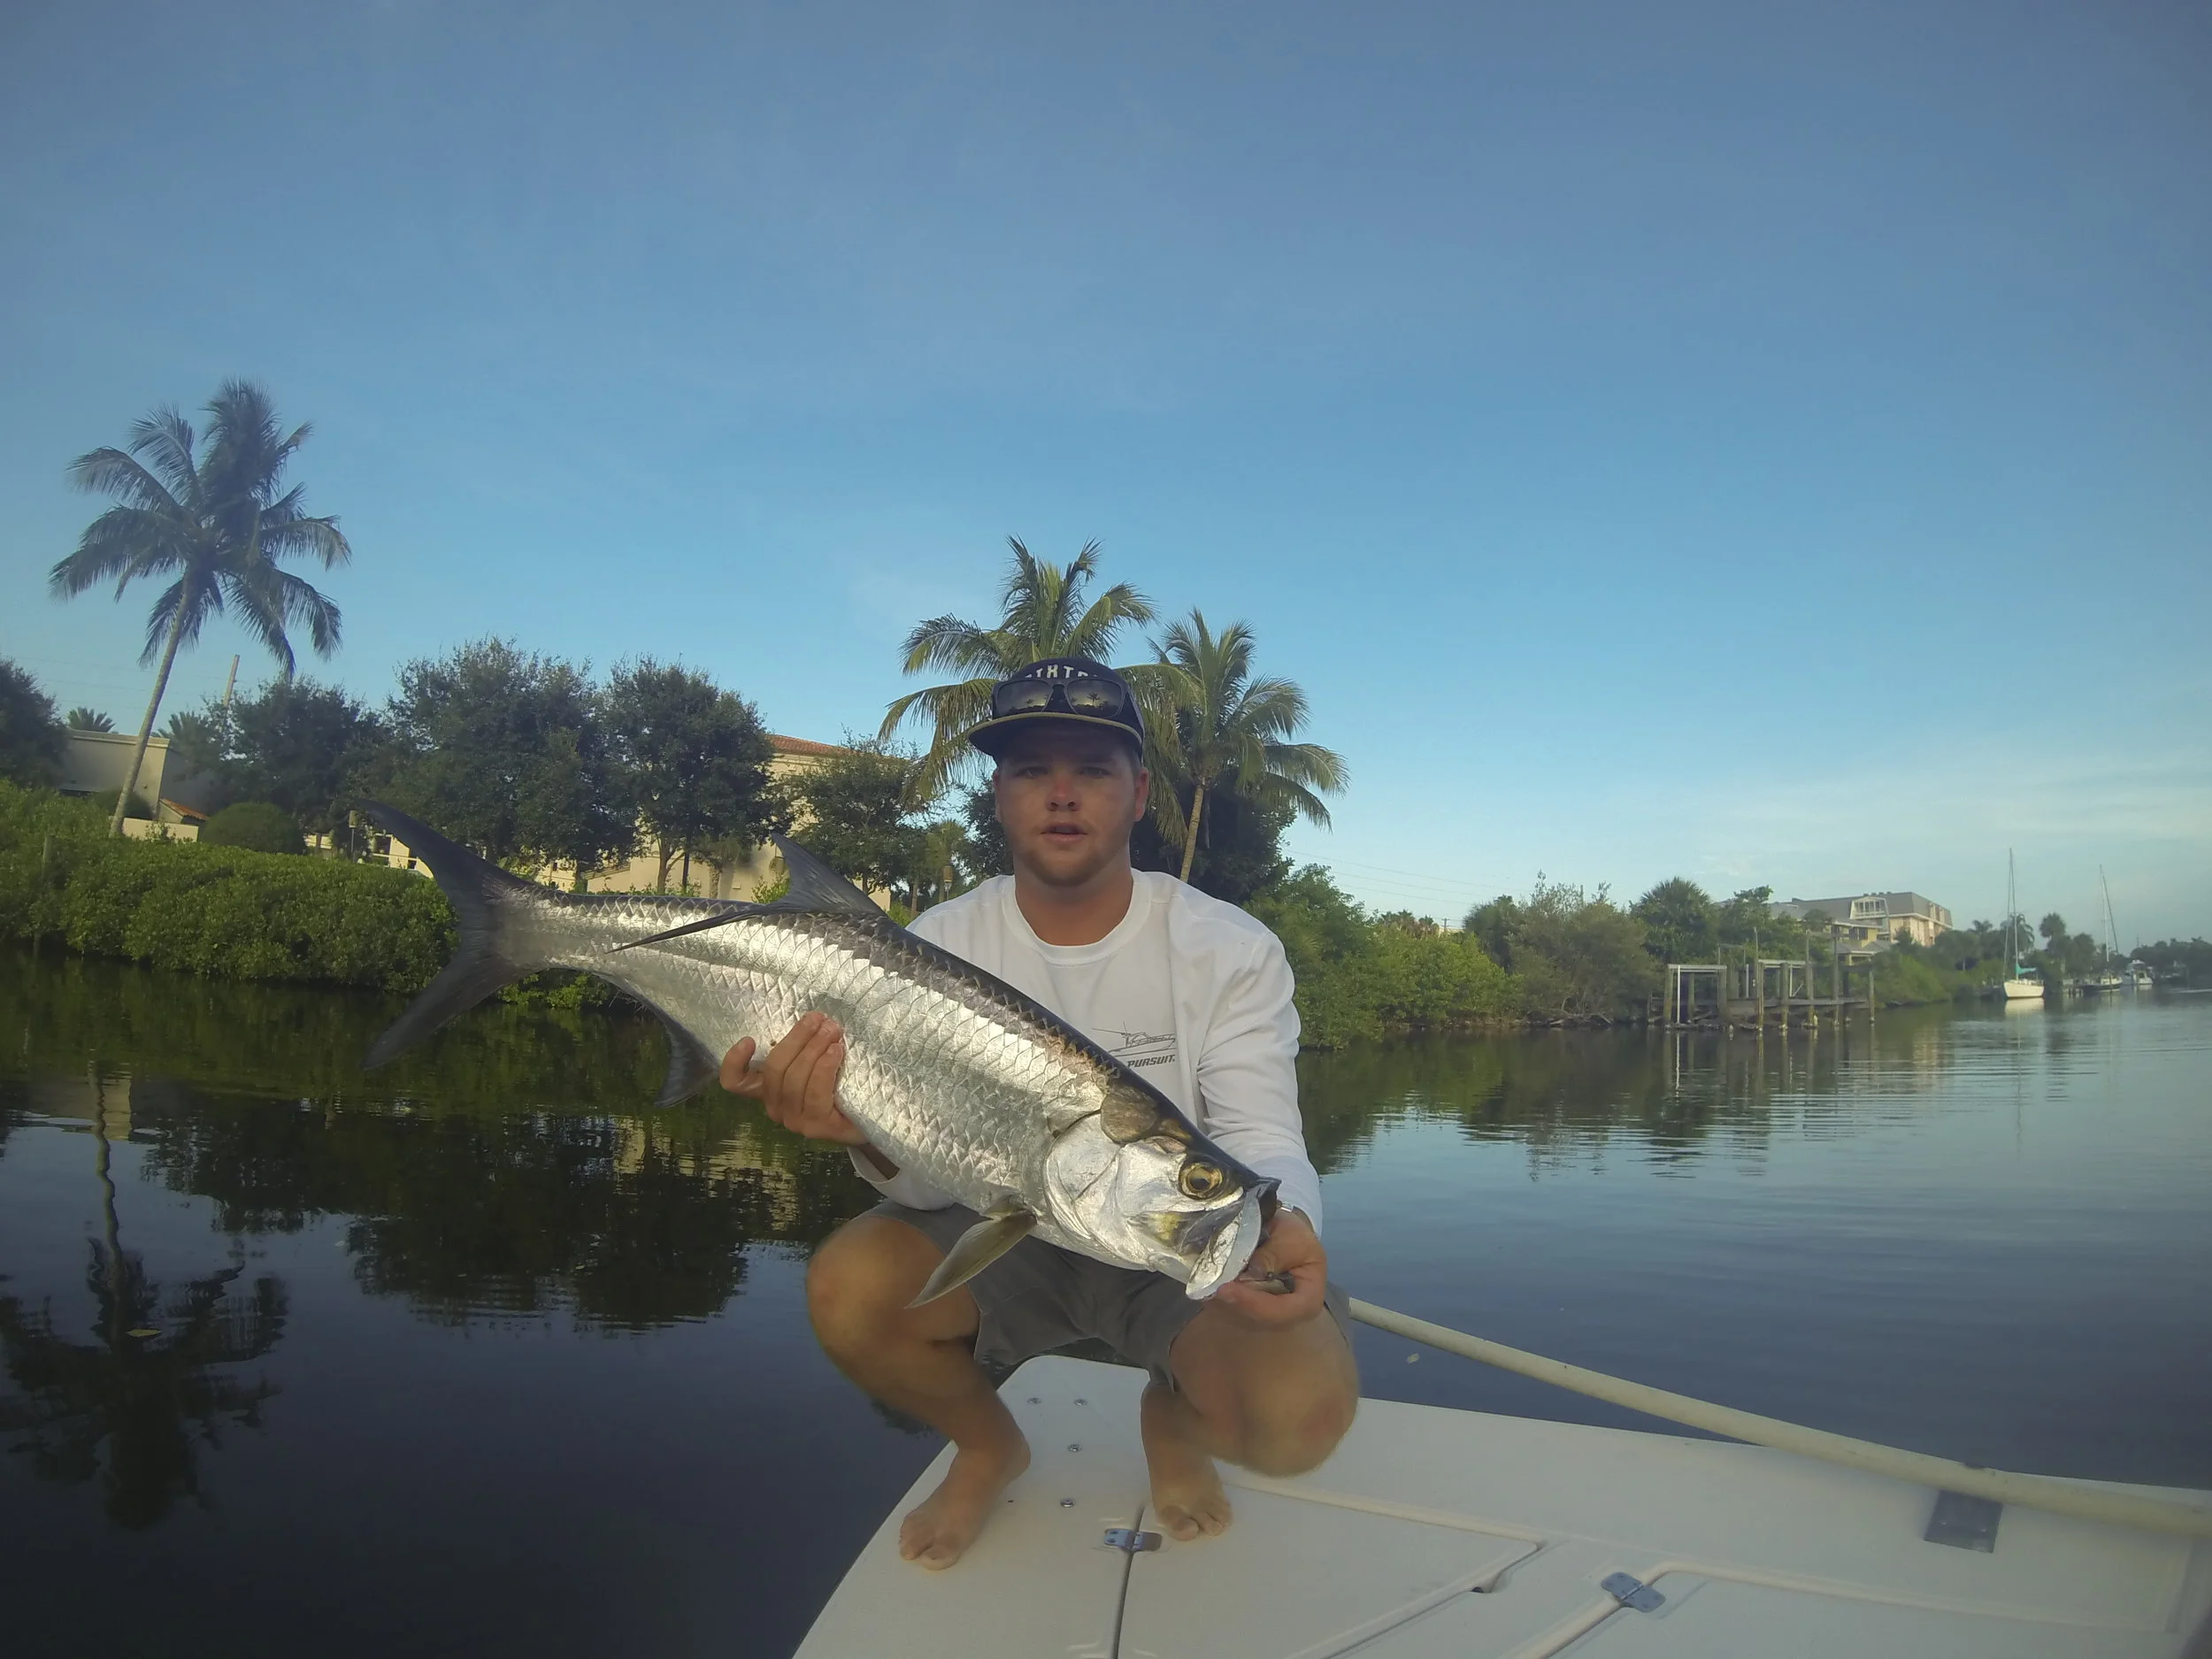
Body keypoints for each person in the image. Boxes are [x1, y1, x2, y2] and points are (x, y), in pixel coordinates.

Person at [718, 657, 1357, 1569]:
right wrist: (861, 1131)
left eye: (1092, 770)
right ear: (998, 797)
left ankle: (1170, 1412)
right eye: (1031, 770)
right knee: (849, 1287)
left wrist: (1278, 1223)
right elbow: (926, 1175)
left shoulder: (1227, 948)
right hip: (1006, 1232)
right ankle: (989, 1446)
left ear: (1139, 795)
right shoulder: (935, 943)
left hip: (1175, 1246)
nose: (1062, 795)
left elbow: (1260, 1136)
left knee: (1301, 1421)